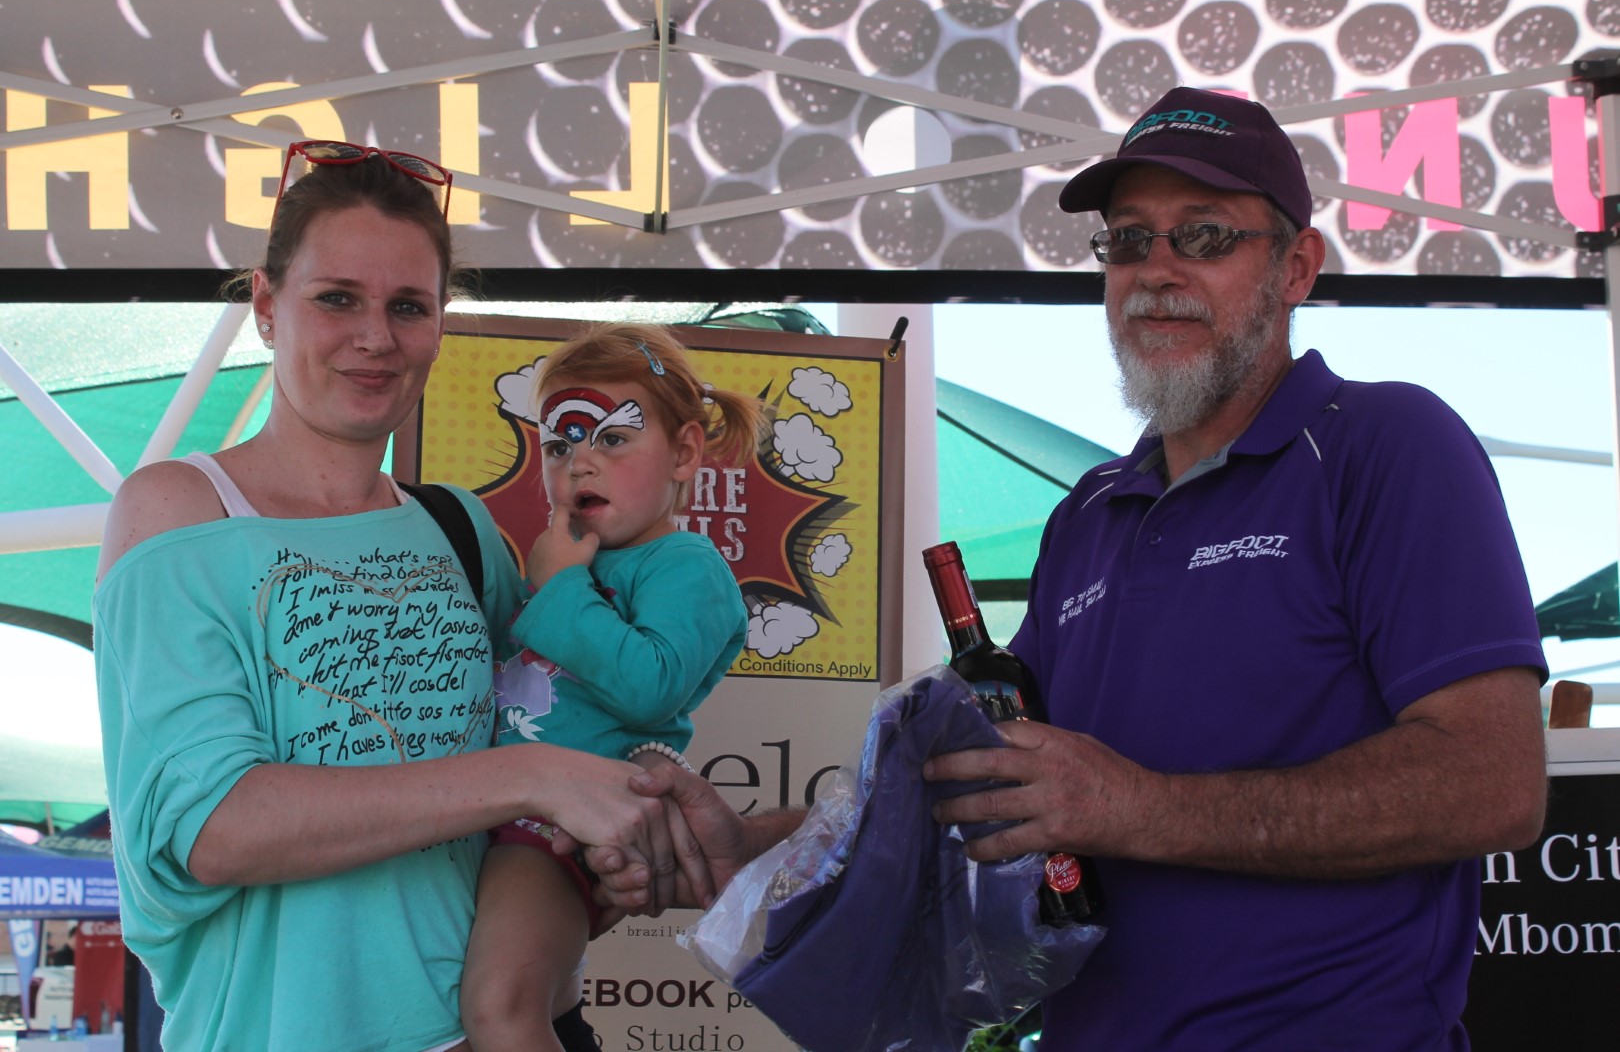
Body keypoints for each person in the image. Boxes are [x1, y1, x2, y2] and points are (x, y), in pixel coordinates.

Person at [586, 87, 1551, 1051]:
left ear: (1295, 266)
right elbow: (990, 791)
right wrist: (747, 845)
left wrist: (1143, 810)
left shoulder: (1383, 444)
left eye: (1205, 236)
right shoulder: (1089, 513)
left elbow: (1492, 782)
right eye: (1128, 241)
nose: (1157, 270)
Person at [94, 142, 690, 1052]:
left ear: (440, 325)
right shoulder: (179, 508)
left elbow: (555, 727)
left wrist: (620, 820)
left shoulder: (460, 528)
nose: (375, 337)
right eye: (337, 298)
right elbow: (214, 829)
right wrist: (537, 779)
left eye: (408, 306)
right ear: (265, 305)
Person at [459, 323, 763, 1051]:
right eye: (559, 446)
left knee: (500, 1008)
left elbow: (650, 686)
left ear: (685, 453)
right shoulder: (569, 560)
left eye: (613, 439)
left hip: (559, 827)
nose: (580, 464)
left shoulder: (687, 565)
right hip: (494, 809)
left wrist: (561, 585)